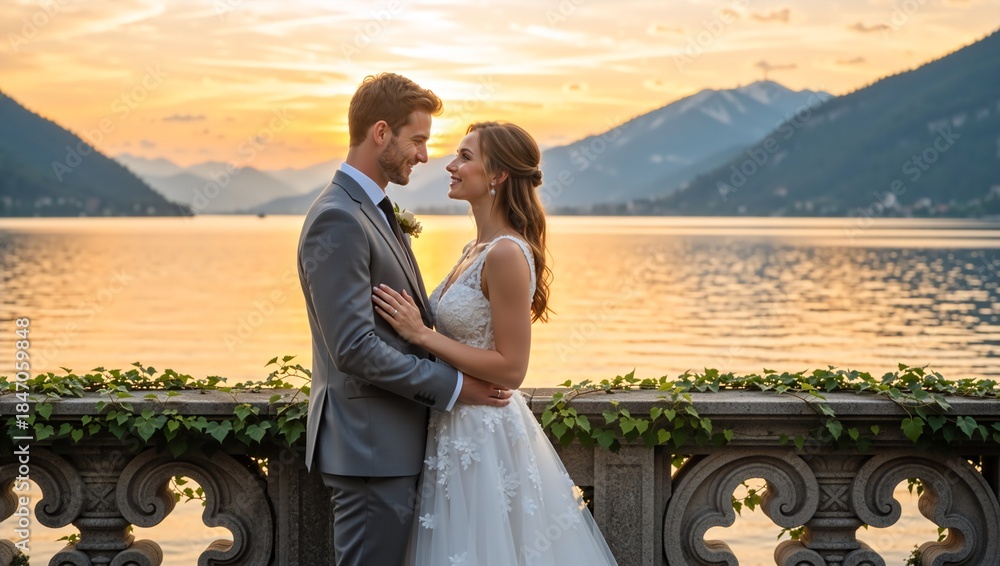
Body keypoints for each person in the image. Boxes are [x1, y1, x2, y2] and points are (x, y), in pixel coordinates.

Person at [372, 121, 618, 565]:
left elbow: (511, 367)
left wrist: (421, 334)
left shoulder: (505, 253)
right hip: (449, 425)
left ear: (498, 175)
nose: (450, 165)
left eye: (465, 157)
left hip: (484, 434)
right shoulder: (475, 248)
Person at [296, 73, 516, 566]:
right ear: (380, 133)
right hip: (371, 448)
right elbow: (354, 348)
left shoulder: (371, 210)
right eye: (417, 140)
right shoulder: (339, 218)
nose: (423, 155)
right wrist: (459, 388)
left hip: (395, 445)